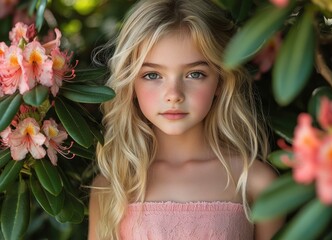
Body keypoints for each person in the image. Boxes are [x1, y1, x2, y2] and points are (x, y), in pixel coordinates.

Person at [88, 0, 283, 239]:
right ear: (130, 83)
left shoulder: (254, 182)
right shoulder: (112, 187)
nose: (174, 95)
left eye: (194, 74)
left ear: (220, 81)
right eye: (152, 75)